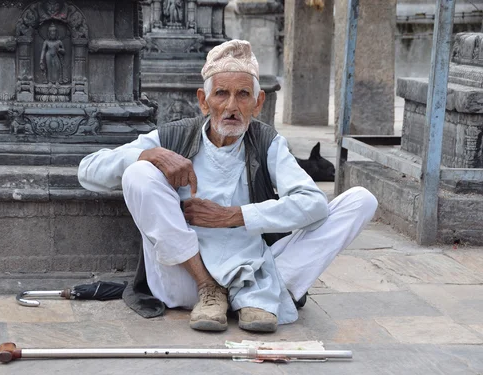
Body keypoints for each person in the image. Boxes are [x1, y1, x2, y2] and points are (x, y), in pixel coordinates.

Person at [78, 40, 377, 333]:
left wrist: (234, 216)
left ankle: (251, 298)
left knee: (361, 200)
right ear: (203, 101)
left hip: (259, 272)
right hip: (186, 280)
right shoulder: (174, 137)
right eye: (221, 93)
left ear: (258, 103)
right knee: (138, 172)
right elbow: (88, 171)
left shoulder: (266, 143)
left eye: (243, 95)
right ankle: (212, 289)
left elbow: (313, 203)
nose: (232, 107)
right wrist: (148, 154)